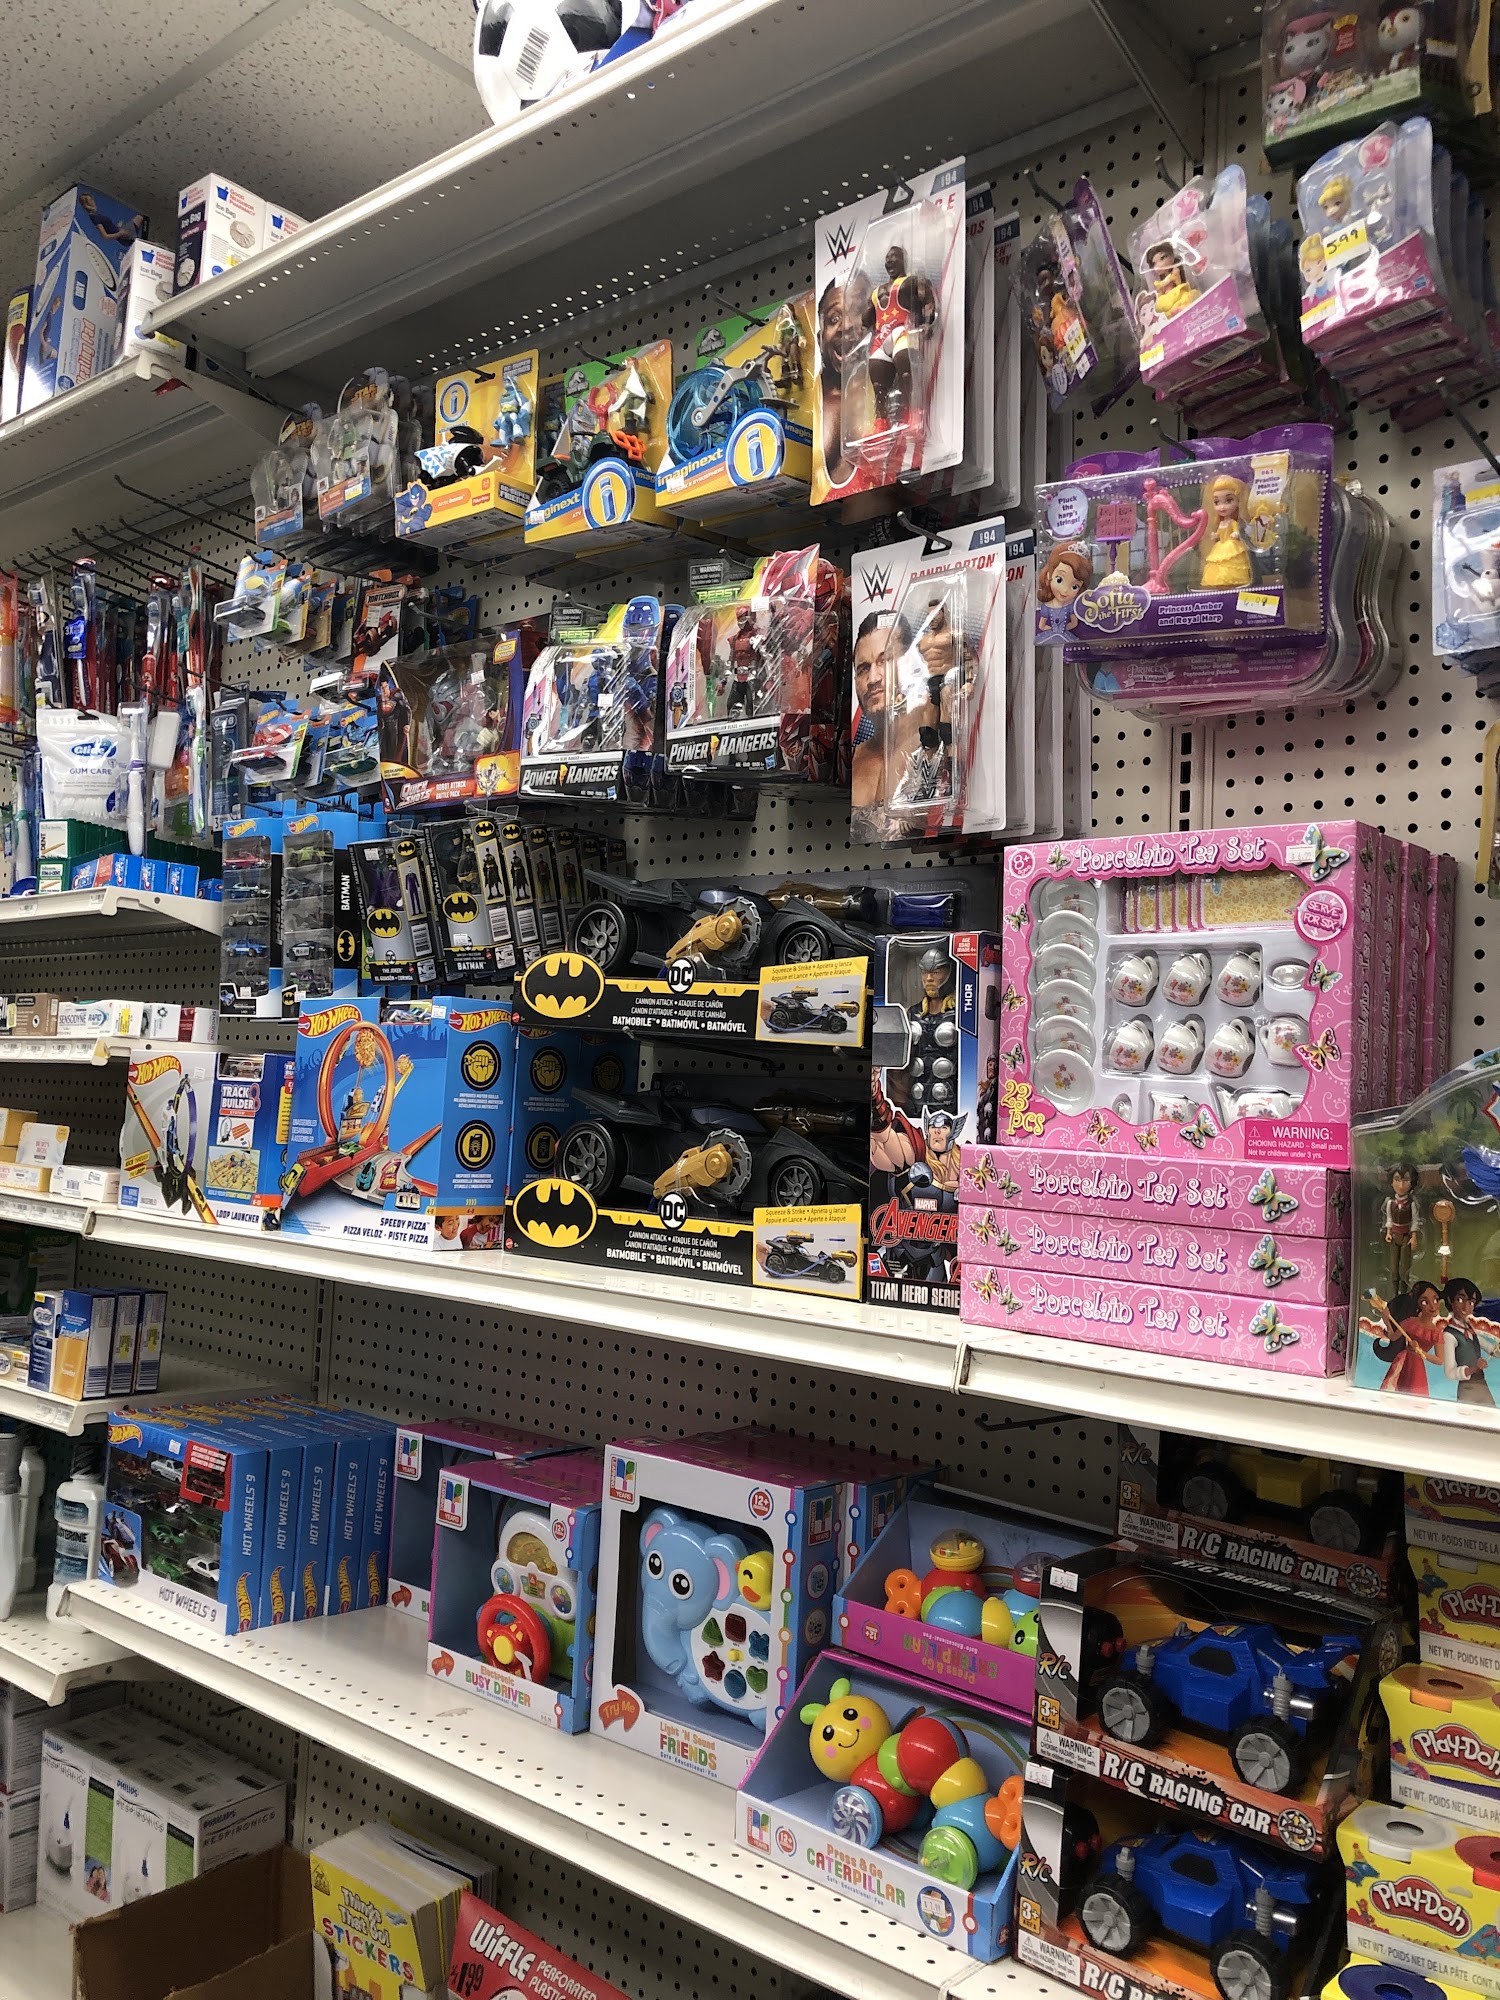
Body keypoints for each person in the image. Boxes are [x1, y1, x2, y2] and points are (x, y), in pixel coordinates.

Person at [1441, 1276, 1498, 1406]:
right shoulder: (1449, 1335)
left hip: (1482, 1385)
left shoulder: (1470, 1329)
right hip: (1467, 1389)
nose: (1466, 1307)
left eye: (1471, 1302)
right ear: (1450, 1300)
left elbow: (1490, 1348)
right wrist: (1473, 1369)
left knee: (1491, 1416)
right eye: (1460, 1300)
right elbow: (1449, 1372)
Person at [1382, 1162, 1423, 1294]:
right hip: (1395, 1237)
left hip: (1406, 1237)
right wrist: (1388, 1233)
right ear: (1391, 1182)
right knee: (1394, 1268)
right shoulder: (1390, 1203)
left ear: (1412, 1183)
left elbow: (1415, 1221)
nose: (1401, 1185)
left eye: (1405, 1181)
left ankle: (1404, 1293)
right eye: (1397, 1180)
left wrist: (1414, 1237)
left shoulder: (1411, 1204)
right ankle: (1394, 1293)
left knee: (1404, 1268)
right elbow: (1389, 1219)